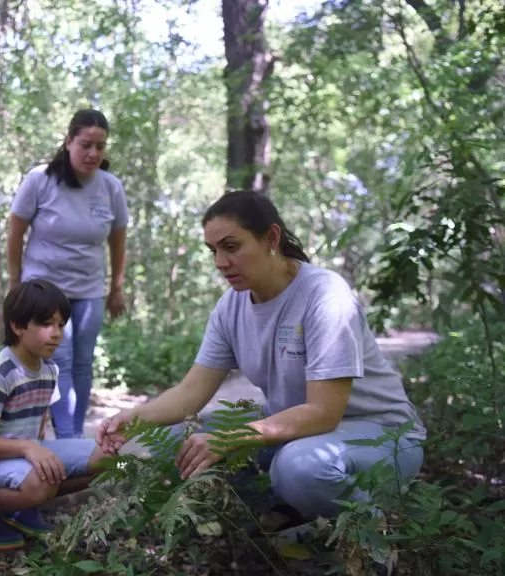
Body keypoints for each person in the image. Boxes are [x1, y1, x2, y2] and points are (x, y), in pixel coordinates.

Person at [96, 191, 426, 523]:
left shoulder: (326, 296)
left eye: (231, 246)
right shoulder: (231, 307)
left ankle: (375, 536)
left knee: (298, 468)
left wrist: (229, 437)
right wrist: (134, 421)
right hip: (299, 436)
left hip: (382, 438)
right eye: (213, 251)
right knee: (168, 444)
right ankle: (284, 517)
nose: (220, 263)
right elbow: (189, 394)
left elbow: (324, 413)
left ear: (271, 237)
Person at [6, 109, 129, 439]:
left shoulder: (110, 187)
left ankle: (71, 436)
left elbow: (118, 240)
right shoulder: (40, 180)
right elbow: (15, 231)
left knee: (82, 363)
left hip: (89, 289)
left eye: (100, 147)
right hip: (44, 288)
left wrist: (117, 287)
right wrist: (15, 284)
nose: (93, 154)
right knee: (58, 358)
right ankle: (71, 438)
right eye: (86, 144)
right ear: (69, 141)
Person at [0, 279, 107, 550]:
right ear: (17, 325)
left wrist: (36, 449)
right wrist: (28, 449)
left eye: (61, 325)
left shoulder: (49, 370)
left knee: (110, 460)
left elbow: (39, 427)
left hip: (25, 456)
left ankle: (22, 504)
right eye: (46, 324)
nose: (56, 333)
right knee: (42, 483)